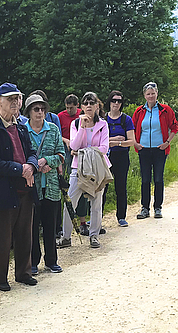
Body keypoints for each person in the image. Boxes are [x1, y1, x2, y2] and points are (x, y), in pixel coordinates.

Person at [0, 83, 39, 290]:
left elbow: (32, 151)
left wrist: (31, 166)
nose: (15, 102)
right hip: (4, 190)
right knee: (3, 237)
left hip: (25, 187)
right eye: (10, 99)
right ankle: (1, 279)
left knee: (25, 233)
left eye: (18, 98)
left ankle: (23, 273)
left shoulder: (21, 125)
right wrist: (20, 169)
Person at [62, 92, 110, 249]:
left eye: (92, 103)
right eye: (86, 103)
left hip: (97, 167)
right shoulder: (76, 124)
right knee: (70, 201)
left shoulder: (102, 124)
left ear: (97, 106)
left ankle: (94, 235)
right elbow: (74, 146)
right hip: (78, 168)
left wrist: (83, 152)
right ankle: (66, 236)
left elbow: (104, 147)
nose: (89, 106)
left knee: (96, 203)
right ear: (81, 107)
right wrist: (82, 127)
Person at [24, 93, 65, 274]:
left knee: (50, 225)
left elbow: (61, 155)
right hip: (31, 186)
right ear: (29, 112)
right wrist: (37, 166)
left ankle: (51, 260)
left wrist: (47, 161)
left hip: (51, 186)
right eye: (36, 109)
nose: (40, 112)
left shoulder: (54, 129)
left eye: (42, 109)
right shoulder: (22, 130)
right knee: (32, 227)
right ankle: (33, 261)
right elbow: (21, 156)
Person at [131, 83, 178, 220]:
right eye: (148, 94)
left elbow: (174, 127)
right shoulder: (139, 111)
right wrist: (135, 143)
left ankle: (158, 207)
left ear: (157, 94)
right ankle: (144, 208)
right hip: (143, 149)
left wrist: (167, 142)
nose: (150, 96)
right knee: (145, 180)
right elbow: (132, 128)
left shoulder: (165, 110)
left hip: (159, 150)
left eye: (153, 93)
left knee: (158, 179)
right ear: (144, 95)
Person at [56, 94, 88, 246]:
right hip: (66, 151)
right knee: (69, 191)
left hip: (81, 153)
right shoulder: (60, 116)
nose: (69, 110)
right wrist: (66, 140)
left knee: (83, 191)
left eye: (72, 108)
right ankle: (66, 230)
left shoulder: (82, 116)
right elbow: (57, 135)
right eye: (67, 107)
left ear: (77, 106)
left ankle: (83, 221)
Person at [102, 91, 135, 226]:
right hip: (105, 156)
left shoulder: (126, 119)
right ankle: (97, 217)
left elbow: (131, 141)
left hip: (121, 156)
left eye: (119, 101)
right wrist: (115, 139)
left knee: (120, 187)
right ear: (109, 102)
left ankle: (121, 216)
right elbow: (98, 140)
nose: (116, 103)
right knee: (102, 187)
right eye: (114, 100)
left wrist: (115, 143)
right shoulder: (103, 119)